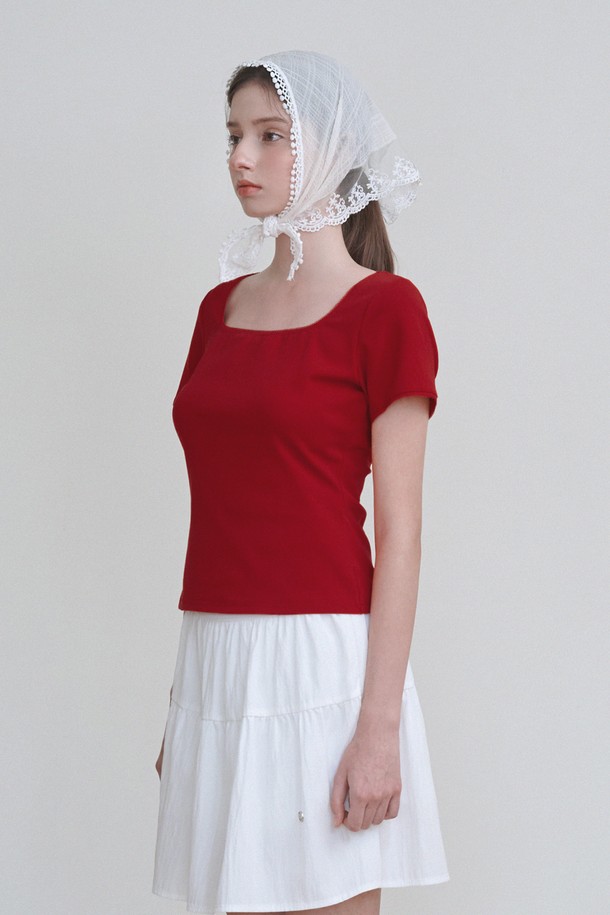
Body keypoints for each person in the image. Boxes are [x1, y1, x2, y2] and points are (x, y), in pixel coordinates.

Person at [152, 49, 450, 915]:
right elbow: (225, 512)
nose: (242, 157)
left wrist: (379, 727)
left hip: (323, 664)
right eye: (234, 137)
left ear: (329, 147)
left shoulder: (384, 309)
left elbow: (401, 536)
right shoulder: (218, 311)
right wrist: (185, 704)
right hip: (216, 659)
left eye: (269, 135)